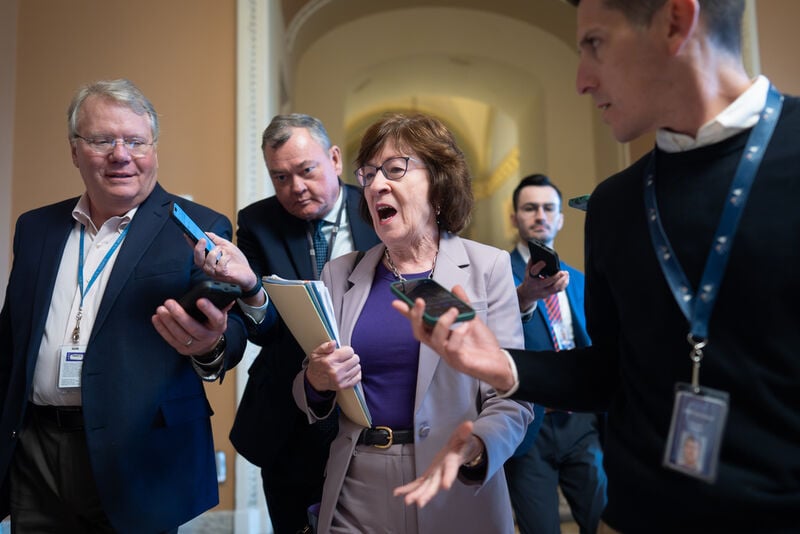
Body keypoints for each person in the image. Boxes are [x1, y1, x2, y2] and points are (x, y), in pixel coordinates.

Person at [393, 1, 800, 532]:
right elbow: (610, 372)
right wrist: (504, 366)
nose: (582, 80)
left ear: (676, 22)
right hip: (633, 516)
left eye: (595, 44)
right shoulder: (616, 203)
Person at [0, 78, 248, 533]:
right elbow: (10, 341)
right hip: (35, 453)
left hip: (138, 456)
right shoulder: (35, 228)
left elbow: (229, 337)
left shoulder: (198, 226)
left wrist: (208, 344)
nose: (121, 154)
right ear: (75, 151)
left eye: (135, 141)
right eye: (101, 140)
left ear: (153, 149)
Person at [290, 112, 534, 533]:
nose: (376, 185)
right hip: (357, 489)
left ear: (439, 186)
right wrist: (315, 380)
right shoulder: (339, 274)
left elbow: (512, 397)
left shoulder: (487, 268)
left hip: (455, 485)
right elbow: (307, 389)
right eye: (368, 175)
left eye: (395, 170)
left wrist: (476, 447)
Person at [224, 114, 380, 534]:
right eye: (280, 177)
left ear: (333, 159)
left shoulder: (379, 209)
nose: (295, 188)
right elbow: (263, 328)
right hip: (288, 420)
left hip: (373, 412)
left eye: (305, 170)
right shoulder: (258, 222)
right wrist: (252, 288)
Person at [503, 174, 606, 534]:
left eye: (549, 208)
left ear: (561, 218)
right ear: (514, 216)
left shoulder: (579, 278)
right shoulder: (497, 274)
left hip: (582, 423)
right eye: (529, 208)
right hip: (530, 421)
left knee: (603, 520)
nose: (540, 215)